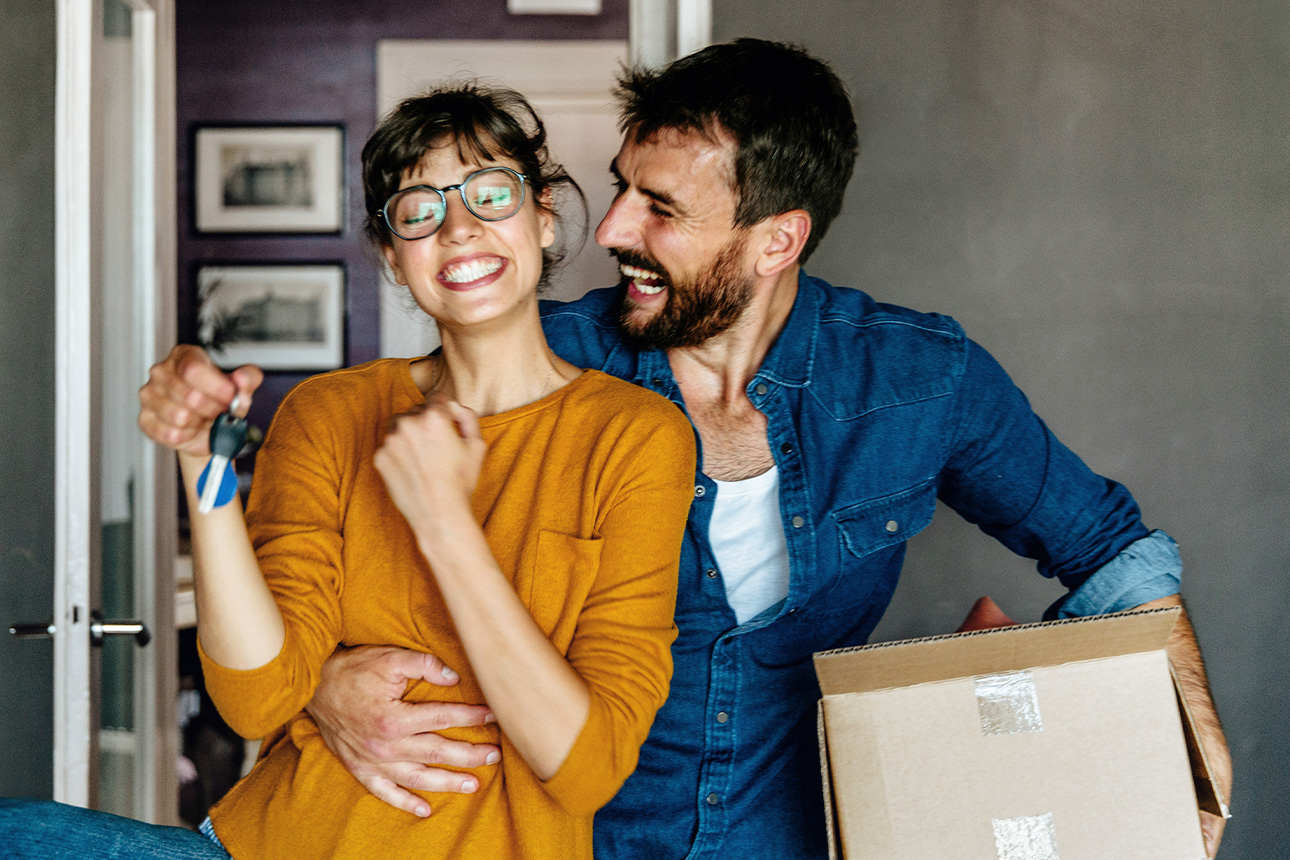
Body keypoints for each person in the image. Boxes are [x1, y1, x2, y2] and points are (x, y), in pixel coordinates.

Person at [308, 39, 1233, 860]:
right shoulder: (539, 360)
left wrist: (1196, 760)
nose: (612, 229)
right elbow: (335, 540)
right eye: (623, 187)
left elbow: (1111, 548)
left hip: (797, 835)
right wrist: (319, 683)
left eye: (658, 207)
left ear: (776, 241)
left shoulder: (917, 378)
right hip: (563, 835)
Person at [0, 84, 695, 860]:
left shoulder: (637, 437)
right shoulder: (328, 412)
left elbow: (586, 767)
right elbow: (257, 698)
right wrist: (204, 464)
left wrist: (443, 525)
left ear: (543, 216)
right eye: (419, 210)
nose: (459, 228)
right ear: (394, 257)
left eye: (490, 194)